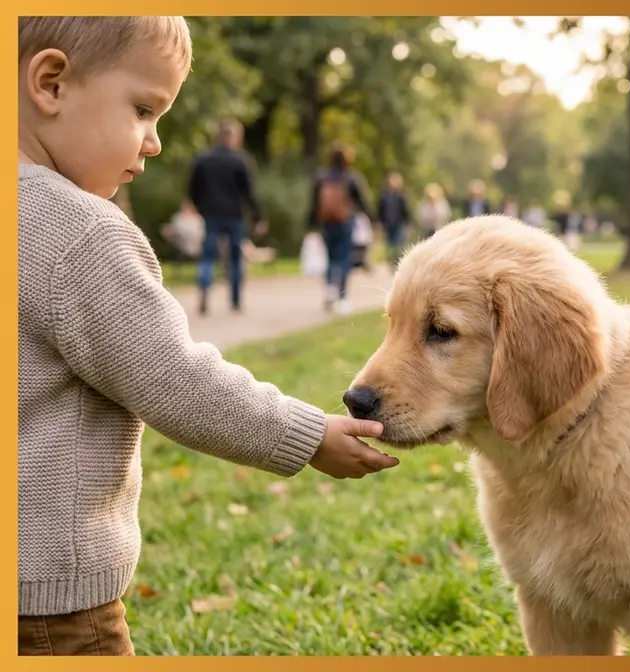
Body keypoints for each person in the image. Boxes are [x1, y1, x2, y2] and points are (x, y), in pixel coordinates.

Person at [17, 17, 399, 657]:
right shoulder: (78, 232)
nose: (156, 142)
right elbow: (173, 379)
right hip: (49, 605)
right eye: (143, 110)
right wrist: (307, 436)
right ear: (50, 83)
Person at [188, 119, 265, 316]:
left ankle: (204, 288)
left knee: (207, 255)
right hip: (234, 214)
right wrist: (258, 217)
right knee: (235, 257)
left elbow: (193, 188)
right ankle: (236, 301)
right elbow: (249, 192)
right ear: (234, 137)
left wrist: (199, 206)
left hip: (211, 213)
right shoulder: (239, 161)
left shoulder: (204, 160)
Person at [308, 144, 369, 315]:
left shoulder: (321, 177)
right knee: (344, 259)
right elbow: (361, 201)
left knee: (330, 258)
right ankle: (342, 297)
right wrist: (372, 218)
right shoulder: (350, 178)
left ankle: (329, 288)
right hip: (345, 223)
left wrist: (312, 224)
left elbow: (314, 203)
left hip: (327, 224)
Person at [376, 171, 411, 267]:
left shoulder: (402, 197)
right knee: (390, 246)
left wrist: (407, 226)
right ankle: (392, 264)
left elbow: (406, 212)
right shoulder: (384, 196)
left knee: (399, 245)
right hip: (388, 224)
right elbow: (380, 211)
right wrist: (379, 224)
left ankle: (399, 263)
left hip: (399, 224)